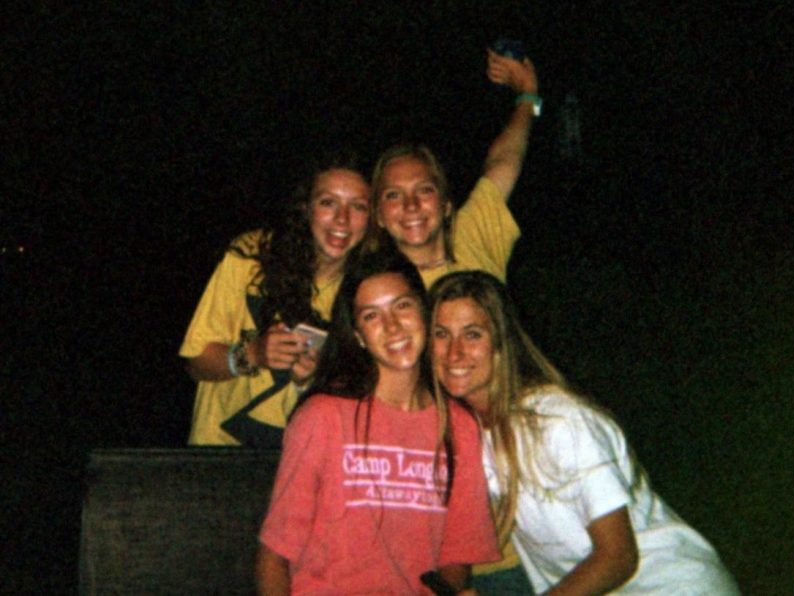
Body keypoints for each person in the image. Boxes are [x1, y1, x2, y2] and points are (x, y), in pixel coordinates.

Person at [429, 271, 741, 595]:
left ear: (501, 343)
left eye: (473, 334)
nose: (454, 353)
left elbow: (618, 556)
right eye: (441, 334)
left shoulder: (559, 421)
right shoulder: (469, 434)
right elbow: (458, 536)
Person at [256, 247, 499, 595]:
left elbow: (457, 554)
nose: (392, 326)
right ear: (357, 336)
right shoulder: (323, 417)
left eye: (402, 306)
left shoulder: (459, 426)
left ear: (424, 314)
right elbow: (275, 554)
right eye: (372, 316)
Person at [179, 154, 373, 447]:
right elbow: (195, 361)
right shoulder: (251, 256)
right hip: (219, 455)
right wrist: (253, 354)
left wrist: (314, 381)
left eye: (357, 206)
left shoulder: (371, 289)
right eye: (328, 202)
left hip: (303, 460)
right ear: (306, 208)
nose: (342, 219)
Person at [372, 47, 541, 289]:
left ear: (446, 204)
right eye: (393, 195)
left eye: (424, 190)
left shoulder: (471, 236)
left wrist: (528, 95)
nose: (411, 205)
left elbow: (504, 159)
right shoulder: (368, 285)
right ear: (378, 215)